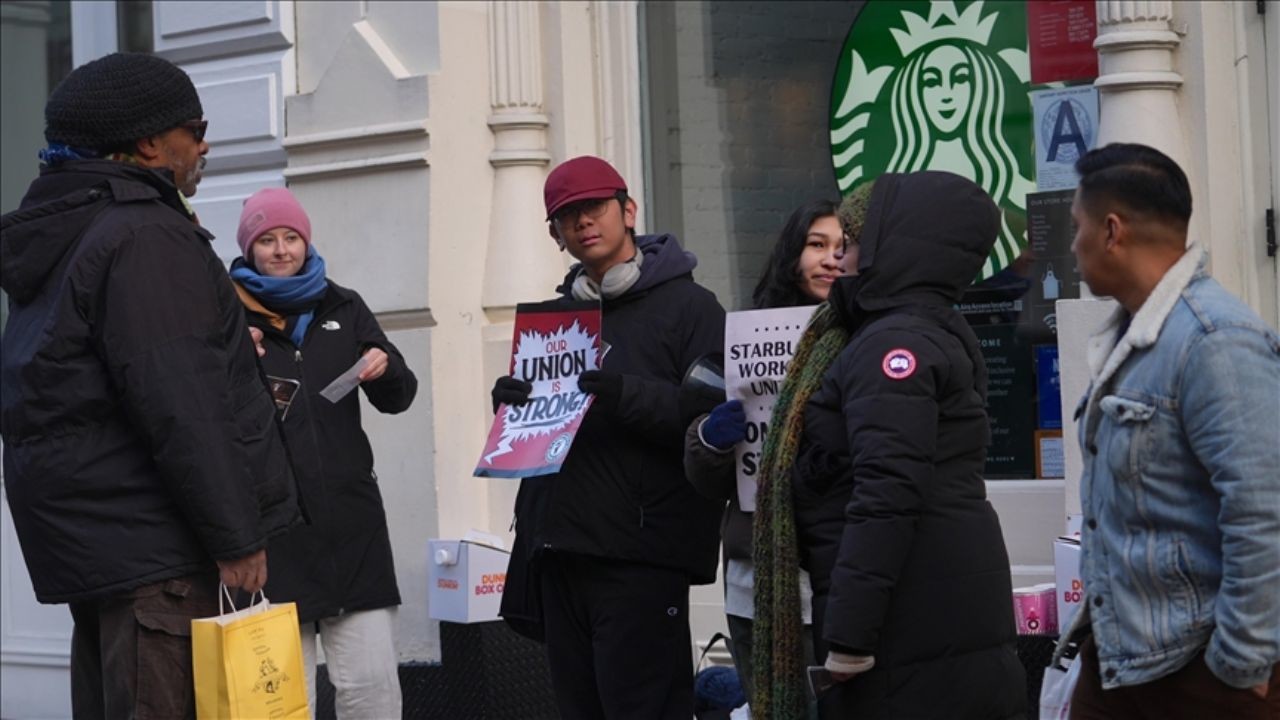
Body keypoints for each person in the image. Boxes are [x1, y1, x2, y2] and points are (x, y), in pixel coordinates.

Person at [0, 52, 299, 718]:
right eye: (194, 127)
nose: (204, 143)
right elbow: (181, 404)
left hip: (111, 551)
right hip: (159, 559)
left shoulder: (78, 229)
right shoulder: (142, 235)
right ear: (149, 143)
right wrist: (236, 536)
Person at [754, 172, 1026, 719]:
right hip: (928, 608)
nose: (842, 257)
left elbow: (888, 492)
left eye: (854, 242)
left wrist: (850, 639)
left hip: (907, 621)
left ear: (891, 246)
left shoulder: (893, 345)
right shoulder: (918, 329)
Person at [491, 155, 726, 719]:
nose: (583, 223)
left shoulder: (691, 307)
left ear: (628, 210)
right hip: (559, 548)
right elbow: (537, 439)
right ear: (555, 234)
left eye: (594, 207)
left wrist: (624, 394)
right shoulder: (551, 322)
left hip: (640, 554)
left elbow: (715, 418)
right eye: (567, 216)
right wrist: (511, 411)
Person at [1064, 143, 1280, 719]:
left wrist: (1240, 663)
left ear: (1112, 231)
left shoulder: (1216, 341)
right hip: (1120, 656)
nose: (1071, 245)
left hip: (1200, 673)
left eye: (1076, 226)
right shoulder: (1129, 337)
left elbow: (1263, 510)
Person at [232, 187, 417, 718]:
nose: (282, 250)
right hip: (270, 543)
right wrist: (231, 358)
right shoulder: (224, 316)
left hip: (351, 534)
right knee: (282, 706)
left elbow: (399, 399)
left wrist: (388, 366)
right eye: (267, 240)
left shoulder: (343, 305)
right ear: (249, 249)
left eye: (291, 237)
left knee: (372, 694)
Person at [682, 198, 846, 699]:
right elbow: (713, 478)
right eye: (817, 245)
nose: (830, 259)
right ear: (792, 254)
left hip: (834, 574)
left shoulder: (869, 339)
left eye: (844, 247)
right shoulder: (752, 335)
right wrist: (711, 438)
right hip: (755, 582)